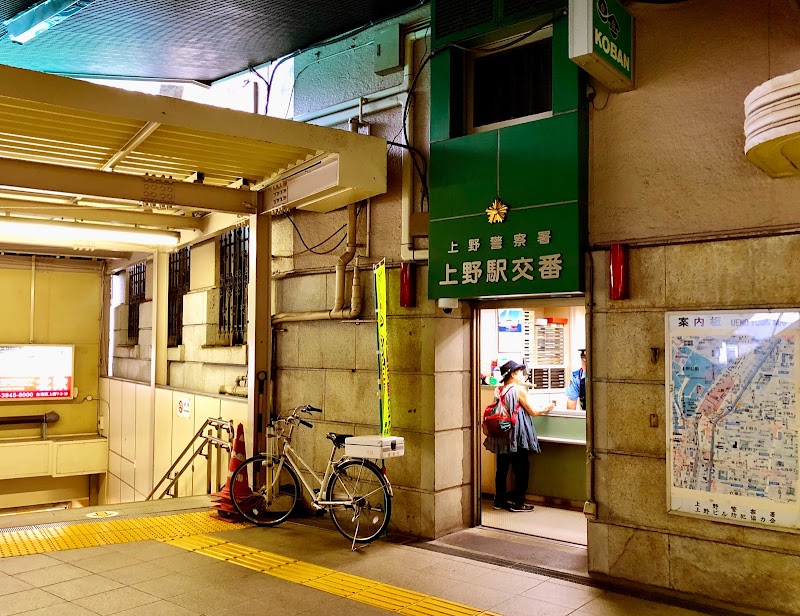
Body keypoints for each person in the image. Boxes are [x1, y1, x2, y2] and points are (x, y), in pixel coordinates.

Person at [484, 360, 555, 512]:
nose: (523, 375)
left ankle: (499, 500)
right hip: (516, 435)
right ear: (513, 374)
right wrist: (547, 407)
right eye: (520, 372)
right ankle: (518, 502)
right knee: (522, 468)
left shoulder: (499, 389)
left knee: (502, 469)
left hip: (501, 434)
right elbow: (533, 411)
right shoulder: (518, 390)